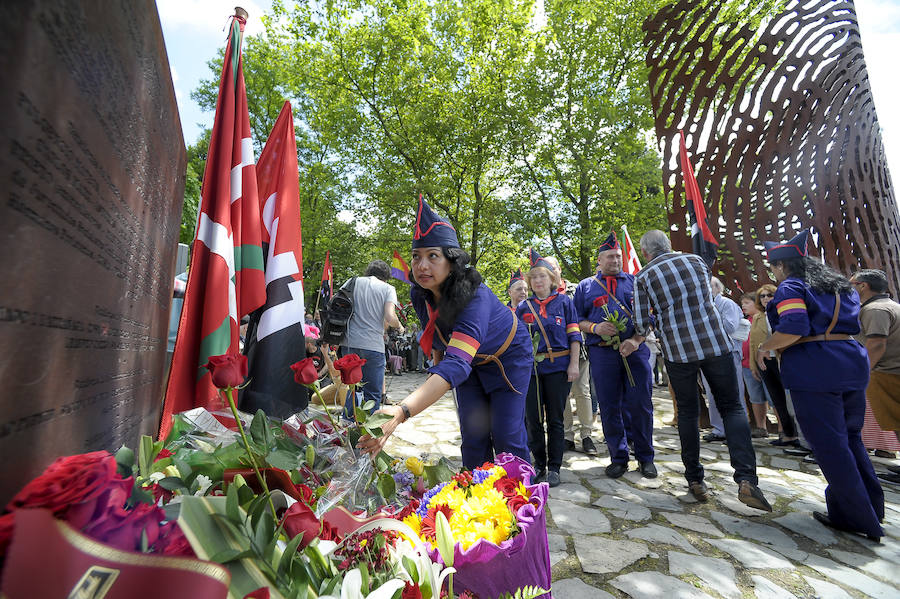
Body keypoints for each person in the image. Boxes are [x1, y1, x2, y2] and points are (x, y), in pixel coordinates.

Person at [357, 198, 531, 469]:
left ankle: (522, 506)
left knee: (507, 435)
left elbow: (457, 363)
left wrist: (401, 412)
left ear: (452, 261)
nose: (421, 266)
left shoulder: (476, 298)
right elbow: (437, 335)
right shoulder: (419, 293)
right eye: (416, 256)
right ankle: (477, 504)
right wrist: (439, 375)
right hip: (468, 363)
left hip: (507, 359)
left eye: (432, 256)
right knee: (473, 438)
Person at [631, 230, 770, 510]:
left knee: (688, 412)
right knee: (732, 407)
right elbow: (706, 296)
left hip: (678, 352)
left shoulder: (643, 277)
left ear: (645, 253)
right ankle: (746, 479)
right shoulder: (696, 261)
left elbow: (640, 321)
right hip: (715, 344)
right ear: (669, 245)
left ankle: (695, 479)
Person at [759, 230, 883, 540]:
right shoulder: (841, 286)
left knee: (830, 444)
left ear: (780, 266)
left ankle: (856, 517)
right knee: (851, 438)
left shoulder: (790, 286)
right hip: (851, 362)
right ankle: (872, 505)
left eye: (772, 268)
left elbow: (795, 327)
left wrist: (765, 347)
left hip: (816, 367)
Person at [575, 232, 656, 478]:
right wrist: (595, 328)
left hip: (635, 351)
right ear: (599, 260)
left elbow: (650, 317)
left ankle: (645, 457)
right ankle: (618, 457)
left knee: (641, 404)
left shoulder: (636, 282)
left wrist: (635, 339)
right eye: (610, 256)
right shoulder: (585, 286)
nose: (615, 260)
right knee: (610, 407)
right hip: (602, 354)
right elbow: (576, 319)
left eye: (618, 256)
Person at [516, 250, 581, 485]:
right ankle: (539, 464)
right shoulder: (524, 308)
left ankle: (554, 467)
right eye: (534, 278)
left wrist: (574, 364)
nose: (538, 281)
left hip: (559, 368)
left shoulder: (565, 303)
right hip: (531, 371)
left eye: (542, 276)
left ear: (552, 279)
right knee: (533, 419)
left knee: (555, 419)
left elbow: (574, 336)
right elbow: (516, 341)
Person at [851, 269, 900, 483]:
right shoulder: (890, 306)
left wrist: (864, 371)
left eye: (852, 284)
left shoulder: (875, 309)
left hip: (888, 373)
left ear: (863, 286)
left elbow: (877, 343)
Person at [544, 256, 597, 455]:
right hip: (556, 353)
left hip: (580, 350)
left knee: (582, 390)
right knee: (562, 395)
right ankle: (567, 436)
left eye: (553, 267)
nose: (550, 271)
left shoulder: (577, 290)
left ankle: (587, 434)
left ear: (559, 269)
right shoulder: (543, 294)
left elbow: (585, 316)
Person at [340, 260, 404, 416]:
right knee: (372, 393)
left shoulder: (352, 282)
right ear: (386, 276)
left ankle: (347, 426)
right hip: (373, 345)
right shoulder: (388, 288)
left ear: (368, 271)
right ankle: (368, 433)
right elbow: (390, 316)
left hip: (349, 343)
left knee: (354, 388)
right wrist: (400, 326)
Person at [701, 277, 750, 443]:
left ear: (716, 288)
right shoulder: (702, 306)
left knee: (733, 394)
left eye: (707, 286)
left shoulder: (727, 304)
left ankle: (738, 431)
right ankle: (719, 429)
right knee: (712, 394)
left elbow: (730, 326)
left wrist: (710, 316)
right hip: (708, 355)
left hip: (728, 354)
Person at [752, 283, 800, 448]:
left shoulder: (782, 313)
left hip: (782, 360)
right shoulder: (758, 317)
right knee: (777, 399)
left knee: (790, 400)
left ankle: (798, 435)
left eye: (769, 295)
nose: (765, 299)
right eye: (762, 296)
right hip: (764, 362)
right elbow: (753, 342)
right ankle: (787, 435)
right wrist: (754, 364)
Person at [739, 291, 772, 437]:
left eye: (747, 303)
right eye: (742, 303)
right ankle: (760, 427)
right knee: (755, 397)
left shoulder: (765, 319)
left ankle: (783, 429)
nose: (743, 306)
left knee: (773, 397)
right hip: (747, 365)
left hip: (765, 364)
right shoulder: (746, 320)